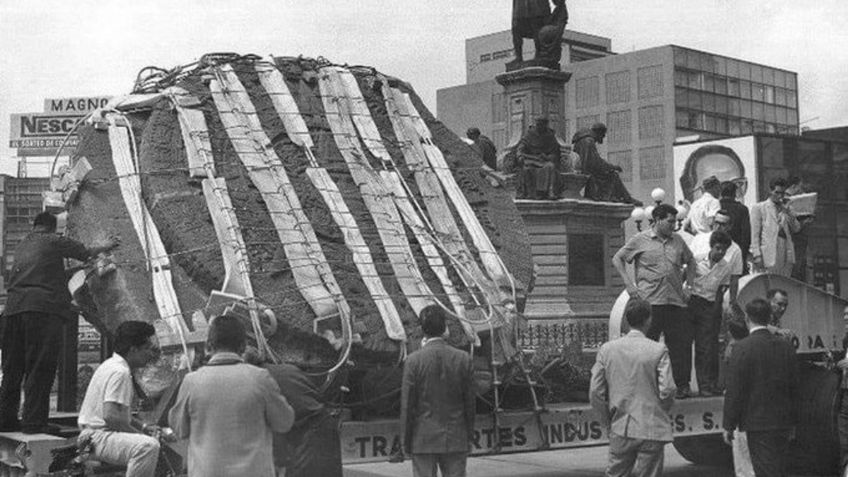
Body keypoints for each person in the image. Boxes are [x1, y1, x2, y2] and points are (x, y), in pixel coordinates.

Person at [0, 211, 119, 433]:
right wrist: (107, 246)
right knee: (40, 366)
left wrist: (76, 270)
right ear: (52, 227)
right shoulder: (53, 239)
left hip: (13, 310)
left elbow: (44, 274)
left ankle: (5, 420)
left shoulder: (23, 245)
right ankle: (34, 423)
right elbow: (84, 251)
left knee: (13, 368)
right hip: (41, 310)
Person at [169, 315, 294, 477]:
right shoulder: (260, 378)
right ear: (243, 347)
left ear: (208, 346)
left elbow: (179, 430)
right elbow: (284, 423)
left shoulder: (192, 381)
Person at [613, 204, 697, 398]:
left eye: (676, 221)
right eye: (670, 221)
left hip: (675, 301)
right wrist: (628, 284)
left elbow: (691, 261)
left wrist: (689, 286)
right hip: (650, 302)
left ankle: (682, 385)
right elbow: (617, 259)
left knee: (680, 346)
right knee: (646, 345)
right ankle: (645, 386)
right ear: (658, 220)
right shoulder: (640, 240)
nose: (674, 225)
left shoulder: (678, 241)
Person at [590, 298, 676, 477]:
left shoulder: (607, 350)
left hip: (620, 425)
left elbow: (595, 392)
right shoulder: (658, 350)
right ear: (648, 320)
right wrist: (660, 411)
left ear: (627, 320)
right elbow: (668, 389)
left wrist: (606, 422)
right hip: (651, 426)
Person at [723, 298, 799, 477]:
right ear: (769, 318)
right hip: (782, 420)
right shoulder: (786, 347)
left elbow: (735, 390)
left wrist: (729, 424)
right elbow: (794, 387)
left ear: (748, 319)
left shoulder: (742, 348)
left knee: (764, 469)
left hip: (756, 422)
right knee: (778, 467)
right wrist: (794, 421)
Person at [77, 321, 163, 477]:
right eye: (146, 349)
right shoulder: (120, 372)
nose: (150, 354)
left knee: (146, 441)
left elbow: (118, 414)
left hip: (90, 438)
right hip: (95, 439)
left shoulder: (110, 365)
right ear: (133, 349)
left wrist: (143, 427)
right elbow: (111, 417)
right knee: (148, 446)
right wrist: (141, 435)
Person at [400, 305, 475, 477]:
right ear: (445, 329)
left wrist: (405, 442)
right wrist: (469, 437)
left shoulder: (413, 361)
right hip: (456, 438)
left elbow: (407, 406)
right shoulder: (464, 359)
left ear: (422, 330)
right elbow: (470, 404)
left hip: (423, 438)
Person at [245, 349, 342, 477]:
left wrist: (279, 461)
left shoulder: (260, 380)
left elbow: (278, 425)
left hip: (309, 432)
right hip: (322, 424)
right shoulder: (285, 369)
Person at [686, 230, 735, 397]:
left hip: (708, 306)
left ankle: (706, 385)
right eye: (718, 248)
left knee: (705, 347)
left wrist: (716, 312)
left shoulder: (726, 267)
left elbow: (722, 290)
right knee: (685, 345)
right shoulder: (696, 259)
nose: (720, 252)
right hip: (690, 303)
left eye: (724, 250)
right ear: (712, 246)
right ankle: (683, 386)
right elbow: (683, 277)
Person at [572, 122, 641, 205]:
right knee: (613, 175)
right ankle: (625, 198)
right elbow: (596, 162)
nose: (603, 138)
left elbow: (594, 160)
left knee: (610, 173)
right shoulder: (588, 141)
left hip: (585, 169)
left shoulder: (584, 140)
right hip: (587, 172)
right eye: (603, 135)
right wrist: (613, 167)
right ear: (598, 132)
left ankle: (619, 197)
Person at [750, 178, 801, 276]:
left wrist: (788, 213)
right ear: (770, 191)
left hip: (786, 250)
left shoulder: (787, 209)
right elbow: (755, 234)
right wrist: (757, 255)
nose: (779, 196)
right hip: (768, 253)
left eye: (782, 193)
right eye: (776, 193)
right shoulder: (760, 208)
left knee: (784, 283)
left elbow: (796, 228)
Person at [516, 117, 563, 200]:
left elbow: (555, 152)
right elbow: (521, 147)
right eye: (537, 124)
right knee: (527, 169)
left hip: (544, 161)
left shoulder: (550, 136)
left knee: (551, 166)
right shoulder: (529, 134)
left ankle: (550, 191)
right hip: (530, 159)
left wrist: (547, 157)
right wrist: (520, 155)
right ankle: (532, 193)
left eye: (541, 125)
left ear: (545, 125)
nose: (539, 126)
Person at [719, 181, 751, 273]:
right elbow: (746, 234)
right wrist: (743, 254)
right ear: (734, 193)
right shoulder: (742, 209)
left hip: (718, 249)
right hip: (737, 250)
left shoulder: (716, 206)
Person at [508, 0, 552, 66]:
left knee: (536, 26)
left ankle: (539, 54)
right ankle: (518, 57)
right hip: (520, 7)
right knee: (516, 28)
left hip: (536, 7)